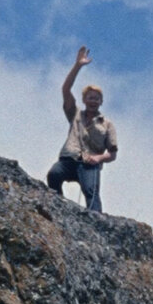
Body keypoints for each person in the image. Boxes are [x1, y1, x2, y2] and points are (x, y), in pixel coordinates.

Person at [47, 46, 118, 213]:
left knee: (91, 194)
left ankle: (97, 225)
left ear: (101, 101)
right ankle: (58, 208)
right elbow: (65, 90)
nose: (93, 101)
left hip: (89, 164)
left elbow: (112, 153)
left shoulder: (106, 124)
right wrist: (77, 66)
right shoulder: (75, 114)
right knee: (53, 175)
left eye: (96, 98)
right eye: (90, 98)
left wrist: (99, 158)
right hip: (69, 158)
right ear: (84, 100)